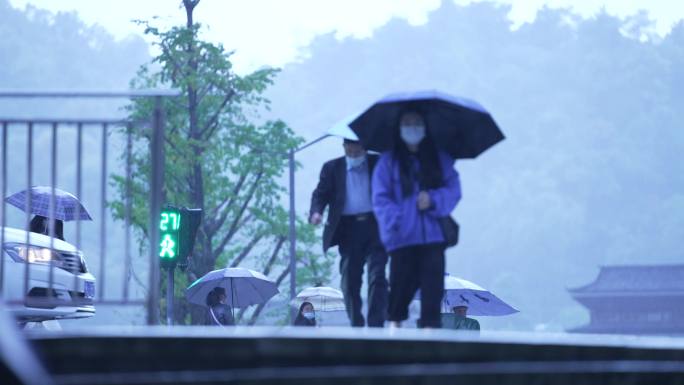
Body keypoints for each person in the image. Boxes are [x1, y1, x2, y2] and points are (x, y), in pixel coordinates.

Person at [372, 107, 461, 329]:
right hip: (401, 238)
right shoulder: (388, 162)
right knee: (400, 289)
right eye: (407, 122)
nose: (412, 127)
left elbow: (453, 189)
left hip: (433, 236)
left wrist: (433, 199)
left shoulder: (440, 159)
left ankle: (430, 337)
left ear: (425, 127)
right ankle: (394, 332)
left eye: (417, 122)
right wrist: (398, 219)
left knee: (433, 290)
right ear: (399, 128)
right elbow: (380, 198)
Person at [309, 138, 388, 327]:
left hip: (376, 227)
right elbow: (320, 194)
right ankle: (356, 324)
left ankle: (376, 325)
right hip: (348, 230)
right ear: (344, 148)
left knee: (377, 276)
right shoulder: (332, 168)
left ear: (365, 149)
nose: (353, 156)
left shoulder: (380, 164)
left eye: (357, 152)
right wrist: (316, 212)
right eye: (349, 152)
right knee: (350, 281)